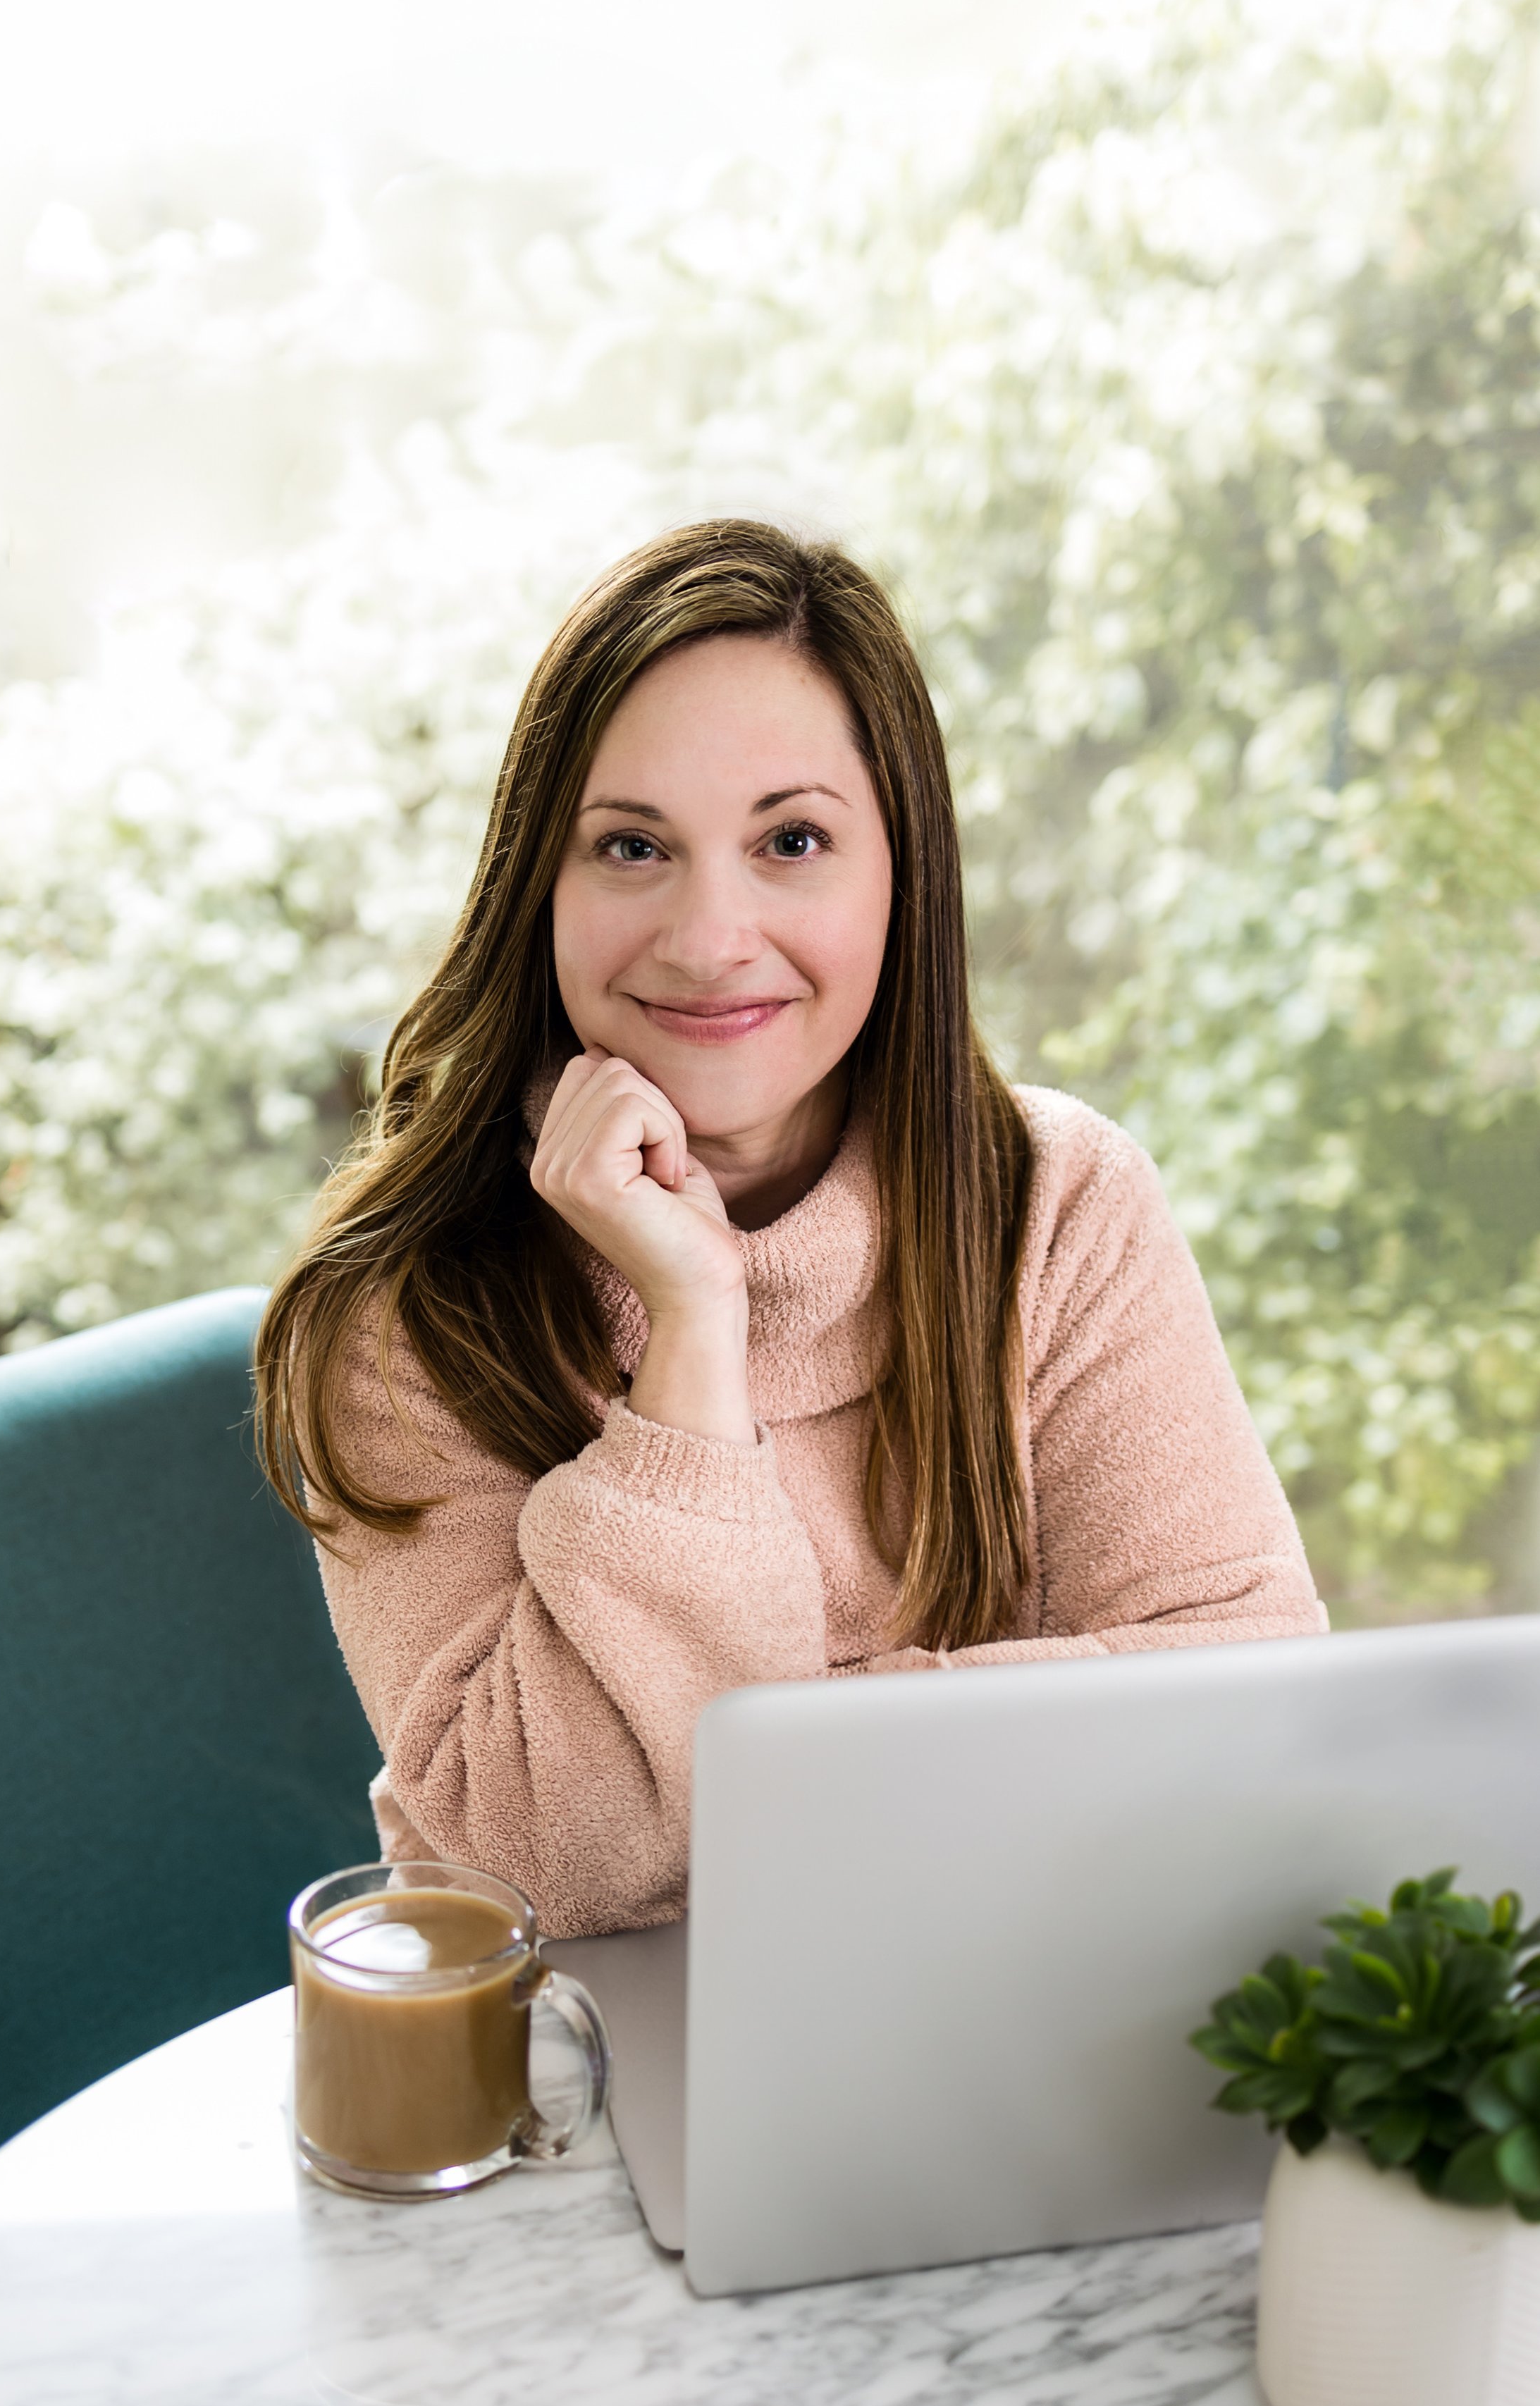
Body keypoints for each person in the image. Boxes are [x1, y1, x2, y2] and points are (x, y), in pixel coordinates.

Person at [256, 519, 1324, 1937]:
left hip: (1013, 2016)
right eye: (630, 845)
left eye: (791, 840)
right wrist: (690, 1345)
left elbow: (1241, 1702)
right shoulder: (407, 1308)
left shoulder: (1055, 1205)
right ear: (541, 886)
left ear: (902, 871)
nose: (708, 937)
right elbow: (543, 1876)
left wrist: (772, 1750)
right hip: (591, 2086)